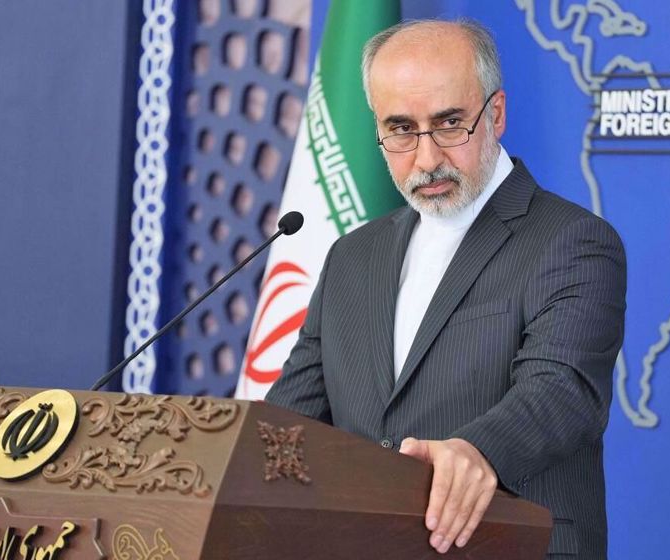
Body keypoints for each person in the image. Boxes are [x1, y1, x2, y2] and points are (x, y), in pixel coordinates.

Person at [265, 18, 625, 559]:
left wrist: (476, 450)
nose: (427, 159)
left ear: (496, 113)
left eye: (450, 123)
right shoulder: (350, 257)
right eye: (402, 129)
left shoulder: (571, 241)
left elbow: (561, 391)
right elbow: (291, 419)